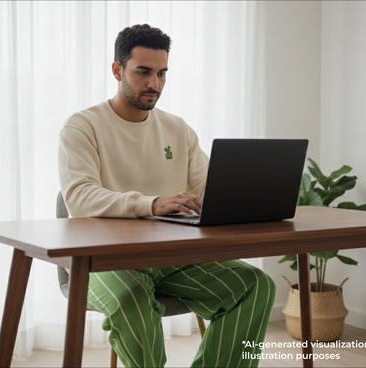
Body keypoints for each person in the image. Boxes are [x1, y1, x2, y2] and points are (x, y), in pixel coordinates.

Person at [58, 24, 275, 368]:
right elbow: (80, 198)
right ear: (117, 69)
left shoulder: (178, 129)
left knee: (254, 285)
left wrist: (247, 197)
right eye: (143, 72)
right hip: (100, 259)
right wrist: (152, 203)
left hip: (171, 256)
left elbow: (209, 190)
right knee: (132, 296)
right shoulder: (82, 126)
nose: (154, 84)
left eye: (161, 73)